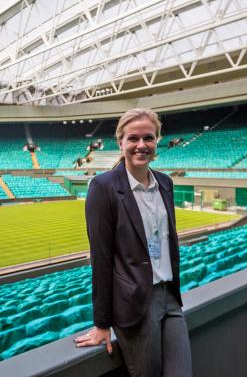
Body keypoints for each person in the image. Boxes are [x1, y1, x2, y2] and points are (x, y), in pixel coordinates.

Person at [74, 108, 193, 377]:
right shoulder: (102, 187)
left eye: (148, 138)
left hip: (170, 298)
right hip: (135, 306)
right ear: (121, 143)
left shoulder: (165, 182)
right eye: (133, 139)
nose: (141, 145)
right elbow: (101, 259)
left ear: (157, 141)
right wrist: (102, 324)